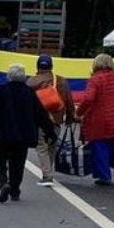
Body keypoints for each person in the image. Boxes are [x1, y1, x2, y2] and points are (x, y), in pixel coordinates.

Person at [0, 64, 58, 202]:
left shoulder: (0, 90)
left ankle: (3, 183)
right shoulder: (29, 92)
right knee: (17, 164)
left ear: (9, 76)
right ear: (24, 77)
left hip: (3, 134)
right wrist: (50, 133)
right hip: (23, 136)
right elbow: (41, 114)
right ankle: (14, 190)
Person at [76, 53, 114, 185]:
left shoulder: (95, 79)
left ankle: (104, 175)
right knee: (107, 145)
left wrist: (79, 112)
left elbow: (88, 98)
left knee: (99, 145)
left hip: (99, 119)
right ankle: (100, 172)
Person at [26, 55, 74, 185]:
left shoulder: (31, 82)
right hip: (56, 120)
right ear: (51, 66)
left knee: (41, 147)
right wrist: (70, 118)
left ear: (37, 67)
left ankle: (47, 175)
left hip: (40, 120)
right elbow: (69, 102)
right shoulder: (61, 81)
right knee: (51, 146)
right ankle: (48, 171)